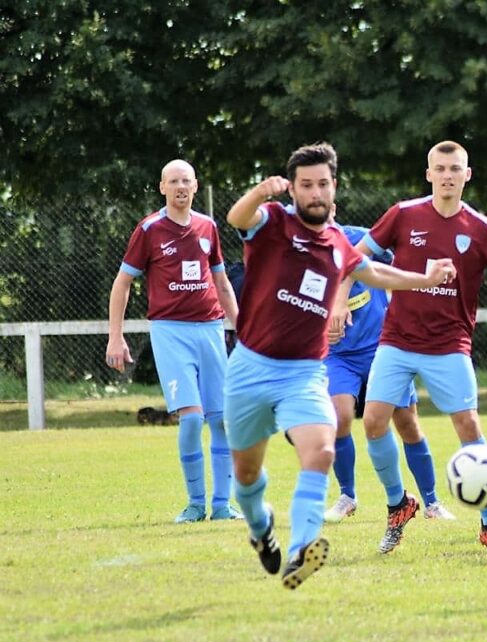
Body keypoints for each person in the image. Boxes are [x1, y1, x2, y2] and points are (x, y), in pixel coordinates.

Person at [223, 142, 456, 589]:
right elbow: (237, 219)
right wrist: (259, 193)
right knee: (247, 474)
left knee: (322, 447)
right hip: (250, 367)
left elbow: (378, 273)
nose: (315, 192)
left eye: (323, 184)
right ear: (292, 188)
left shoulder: (339, 243)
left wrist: (424, 279)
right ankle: (260, 526)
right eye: (306, 185)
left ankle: (303, 549)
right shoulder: (272, 222)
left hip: (304, 371)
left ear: (334, 188)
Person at [355, 140, 487, 555]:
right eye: (440, 168)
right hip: (397, 338)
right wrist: (337, 299)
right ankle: (398, 505)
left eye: (455, 168)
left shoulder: (480, 226)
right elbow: (354, 257)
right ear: (429, 174)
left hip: (449, 344)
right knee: (374, 422)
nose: (448, 175)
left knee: (469, 427)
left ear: (466, 175)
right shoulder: (403, 215)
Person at [106, 159, 242, 524]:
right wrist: (115, 337)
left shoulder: (208, 226)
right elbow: (122, 283)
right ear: (162, 187)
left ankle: (222, 505)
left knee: (222, 420)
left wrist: (243, 327)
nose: (180, 186)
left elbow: (222, 282)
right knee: (193, 419)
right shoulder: (149, 229)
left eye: (186, 180)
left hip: (211, 330)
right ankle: (195, 504)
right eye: (173, 181)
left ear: (195, 186)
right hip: (171, 332)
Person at [323, 222, 456, 523]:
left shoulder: (358, 238)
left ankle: (432, 502)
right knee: (340, 416)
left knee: (407, 422)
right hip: (338, 354)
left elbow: (405, 252)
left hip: (383, 348)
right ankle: (347, 496)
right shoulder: (297, 251)